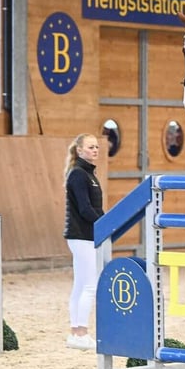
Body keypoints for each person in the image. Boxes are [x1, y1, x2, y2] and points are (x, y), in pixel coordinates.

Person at [63, 133, 104, 350]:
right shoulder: (78, 174)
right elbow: (85, 209)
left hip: (84, 235)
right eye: (90, 147)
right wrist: (106, 223)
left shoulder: (88, 173)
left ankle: (76, 332)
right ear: (79, 151)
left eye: (96, 147)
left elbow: (93, 207)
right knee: (90, 284)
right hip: (82, 235)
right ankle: (82, 332)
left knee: (80, 284)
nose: (95, 150)